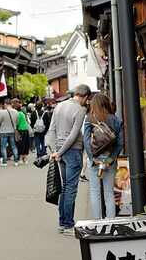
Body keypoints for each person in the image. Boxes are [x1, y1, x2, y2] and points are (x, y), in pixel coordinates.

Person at [46, 84, 92, 234]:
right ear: (85, 97)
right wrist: (60, 152)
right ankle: (68, 224)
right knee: (70, 188)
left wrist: (55, 151)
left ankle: (62, 222)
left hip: (59, 148)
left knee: (64, 188)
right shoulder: (80, 110)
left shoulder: (59, 106)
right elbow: (73, 135)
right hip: (71, 150)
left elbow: (51, 130)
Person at [82, 92, 125, 220]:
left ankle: (97, 222)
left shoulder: (89, 118)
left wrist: (92, 158)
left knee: (95, 193)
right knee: (109, 193)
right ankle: (110, 222)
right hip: (109, 161)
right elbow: (120, 142)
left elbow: (86, 140)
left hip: (95, 160)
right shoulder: (116, 119)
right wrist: (111, 159)